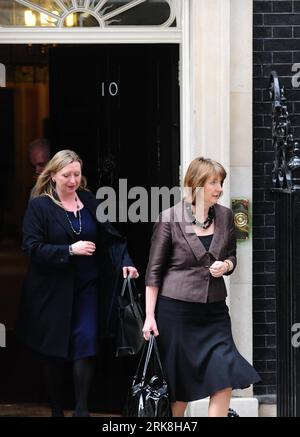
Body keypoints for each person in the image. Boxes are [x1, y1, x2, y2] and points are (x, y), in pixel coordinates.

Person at [16, 149, 138, 417]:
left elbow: (111, 238)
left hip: (87, 288)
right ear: (53, 175)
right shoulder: (40, 206)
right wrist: (70, 250)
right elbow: (31, 247)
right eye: (66, 175)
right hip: (51, 290)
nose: (72, 180)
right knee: (54, 351)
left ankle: (82, 409)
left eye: (77, 174)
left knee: (86, 342)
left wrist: (126, 262)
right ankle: (57, 408)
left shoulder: (89, 200)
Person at [142, 157, 261, 417]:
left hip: (215, 312)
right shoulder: (169, 218)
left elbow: (231, 256)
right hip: (176, 313)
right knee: (179, 389)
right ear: (196, 185)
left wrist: (226, 267)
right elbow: (154, 272)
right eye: (213, 183)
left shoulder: (226, 215)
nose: (219, 188)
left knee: (224, 374)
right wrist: (149, 316)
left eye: (221, 182)